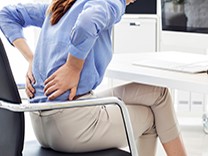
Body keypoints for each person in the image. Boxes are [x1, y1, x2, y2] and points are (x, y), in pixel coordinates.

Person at [0, 0, 187, 155]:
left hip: (42, 124)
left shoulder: (62, 5)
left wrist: (32, 59)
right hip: (72, 126)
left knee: (158, 93)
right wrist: (73, 67)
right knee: (149, 118)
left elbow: (6, 14)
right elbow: (88, 21)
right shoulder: (110, 2)